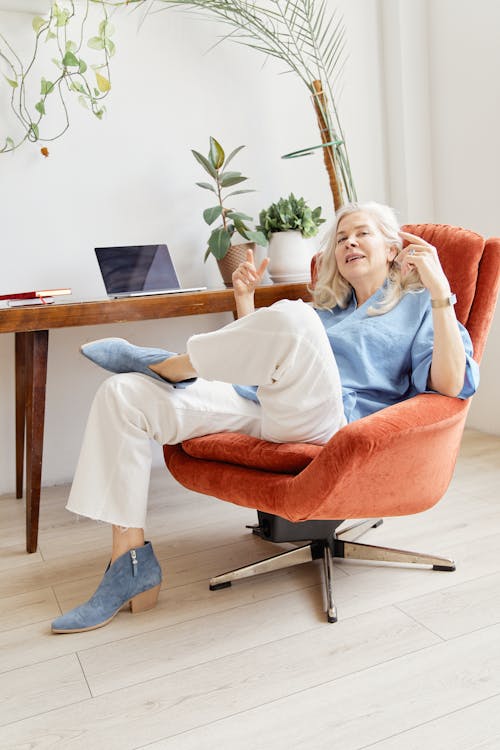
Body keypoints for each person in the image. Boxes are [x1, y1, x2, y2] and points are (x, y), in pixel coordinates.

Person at [51, 201, 479, 634]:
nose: (348, 241)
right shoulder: (328, 311)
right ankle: (129, 564)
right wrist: (244, 301)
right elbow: (266, 357)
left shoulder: (421, 305)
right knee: (123, 393)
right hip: (267, 405)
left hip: (336, 425)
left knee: (294, 316)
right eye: (341, 237)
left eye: (362, 233)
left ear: (393, 250)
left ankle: (172, 366)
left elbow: (448, 385)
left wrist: (440, 290)